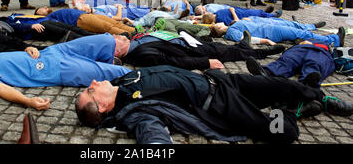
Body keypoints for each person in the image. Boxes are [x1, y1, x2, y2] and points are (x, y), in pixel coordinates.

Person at [75, 65, 353, 143]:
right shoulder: (133, 114)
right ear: (101, 107)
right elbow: (154, 138)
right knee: (283, 131)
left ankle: (313, 93)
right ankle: (292, 109)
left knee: (284, 84)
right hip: (220, 105)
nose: (95, 82)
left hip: (220, 81)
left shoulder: (123, 80)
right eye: (91, 90)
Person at [0, 34, 132, 110]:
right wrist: (28, 101)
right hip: (59, 69)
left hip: (53, 52)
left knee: (106, 40)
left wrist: (27, 49)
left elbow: (12, 60)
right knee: (121, 73)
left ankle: (108, 59)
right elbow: (2, 90)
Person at [121, 29, 285, 70]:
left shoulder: (137, 39)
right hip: (191, 50)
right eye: (115, 40)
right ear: (118, 52)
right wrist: (205, 62)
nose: (117, 36)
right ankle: (261, 52)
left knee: (221, 47)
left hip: (188, 40)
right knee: (226, 53)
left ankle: (242, 45)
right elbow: (174, 61)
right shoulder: (141, 53)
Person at [246, 41, 336, 88]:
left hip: (321, 52)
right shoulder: (301, 42)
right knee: (287, 61)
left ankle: (306, 86)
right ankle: (266, 72)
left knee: (314, 66)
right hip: (300, 49)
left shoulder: (326, 42)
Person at [210, 16, 345, 48]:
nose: (219, 22)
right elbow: (247, 39)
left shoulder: (232, 27)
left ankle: (330, 38)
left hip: (269, 26)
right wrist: (267, 41)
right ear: (220, 29)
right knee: (302, 34)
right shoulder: (231, 33)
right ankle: (334, 40)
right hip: (271, 31)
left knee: (296, 31)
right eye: (217, 24)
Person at [0, 13, 96, 43]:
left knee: (73, 28)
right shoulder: (3, 22)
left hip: (43, 21)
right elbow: (14, 27)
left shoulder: (12, 16)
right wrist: (30, 26)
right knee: (67, 33)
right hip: (36, 29)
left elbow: (27, 16)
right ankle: (93, 41)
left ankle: (98, 37)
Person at [34, 7, 135, 36]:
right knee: (108, 27)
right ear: (40, 15)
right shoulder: (49, 18)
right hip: (80, 20)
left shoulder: (55, 13)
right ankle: (133, 35)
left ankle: (137, 31)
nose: (44, 7)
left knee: (114, 23)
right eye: (41, 9)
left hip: (86, 16)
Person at [201, 6, 282, 26]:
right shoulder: (221, 20)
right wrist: (233, 12)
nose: (207, 12)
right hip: (241, 15)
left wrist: (196, 18)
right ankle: (272, 15)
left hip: (240, 10)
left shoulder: (216, 13)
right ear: (210, 17)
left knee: (252, 11)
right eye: (207, 14)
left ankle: (265, 13)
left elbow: (204, 18)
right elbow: (236, 22)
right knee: (257, 13)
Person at [76, 3, 151, 22]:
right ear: (85, 9)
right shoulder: (98, 14)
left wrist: (114, 6)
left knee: (148, 8)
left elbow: (108, 10)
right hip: (128, 13)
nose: (84, 4)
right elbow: (118, 18)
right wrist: (119, 7)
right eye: (82, 6)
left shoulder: (95, 9)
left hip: (126, 9)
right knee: (150, 12)